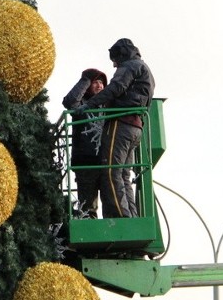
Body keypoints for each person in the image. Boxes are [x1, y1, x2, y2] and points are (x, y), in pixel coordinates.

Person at [77, 38, 155, 218]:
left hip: (120, 123)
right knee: (124, 175)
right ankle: (132, 216)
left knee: (111, 171)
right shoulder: (145, 69)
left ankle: (122, 217)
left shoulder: (129, 67)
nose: (113, 65)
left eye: (114, 60)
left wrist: (88, 105)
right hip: (137, 126)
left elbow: (115, 88)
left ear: (121, 54)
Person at [62, 68, 109, 218]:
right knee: (88, 207)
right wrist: (86, 79)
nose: (99, 86)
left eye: (102, 83)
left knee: (111, 202)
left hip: (106, 160)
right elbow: (69, 101)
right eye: (95, 82)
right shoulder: (81, 105)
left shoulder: (108, 104)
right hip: (85, 161)